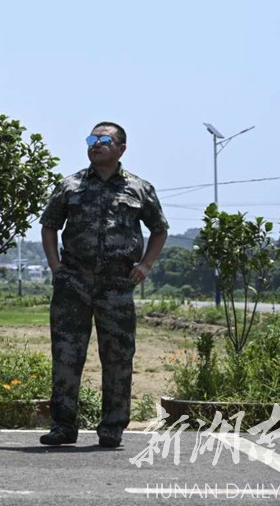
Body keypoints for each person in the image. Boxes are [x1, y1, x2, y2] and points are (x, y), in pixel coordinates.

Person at [39, 121, 168, 449]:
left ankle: (112, 427)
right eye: (92, 139)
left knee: (118, 358)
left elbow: (159, 228)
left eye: (104, 140)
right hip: (73, 283)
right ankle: (63, 426)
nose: (96, 144)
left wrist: (146, 265)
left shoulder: (139, 188)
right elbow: (50, 226)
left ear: (121, 148)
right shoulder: (70, 185)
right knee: (67, 356)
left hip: (117, 284)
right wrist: (56, 267)